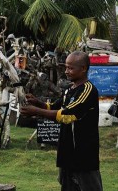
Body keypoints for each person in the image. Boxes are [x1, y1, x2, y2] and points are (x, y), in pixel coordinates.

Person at [21, 51, 103, 191]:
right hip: (67, 152)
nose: (66, 71)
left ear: (83, 69)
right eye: (66, 67)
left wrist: (36, 111)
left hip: (83, 154)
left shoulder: (88, 91)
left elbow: (67, 115)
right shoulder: (69, 90)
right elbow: (54, 107)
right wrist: (37, 103)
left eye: (71, 68)